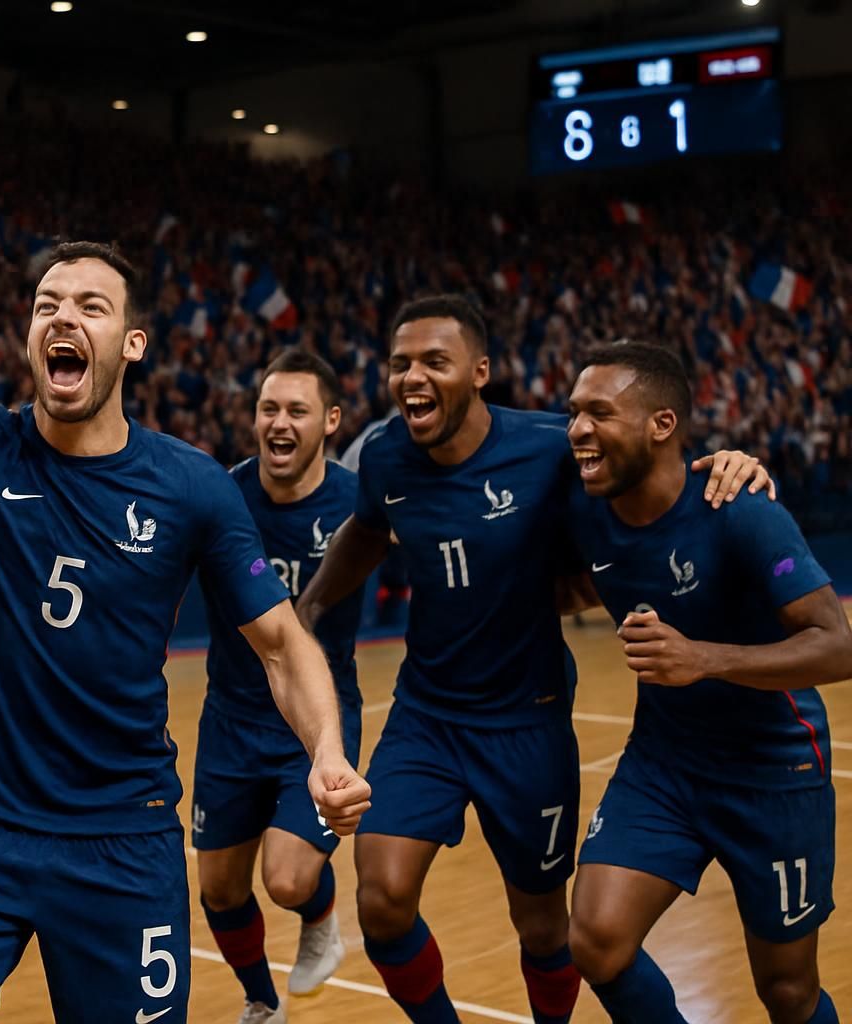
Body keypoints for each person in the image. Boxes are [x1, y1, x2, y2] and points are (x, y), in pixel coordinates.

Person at [0, 214, 371, 1024]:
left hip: (121, 844)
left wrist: (328, 751)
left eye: (92, 307)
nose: (63, 317)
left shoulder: (192, 487)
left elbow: (281, 643)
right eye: (47, 304)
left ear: (131, 344)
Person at [295, 295, 770, 1024]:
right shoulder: (388, 452)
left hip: (528, 719)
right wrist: (311, 609)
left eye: (434, 362)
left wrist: (732, 462)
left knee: (546, 930)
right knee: (383, 900)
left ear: (480, 372)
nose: (411, 377)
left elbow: (653, 470)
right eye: (400, 364)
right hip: (427, 715)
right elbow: (366, 529)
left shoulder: (554, 450)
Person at [563, 342, 848, 1024]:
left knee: (786, 991)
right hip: (664, 764)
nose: (576, 429)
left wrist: (705, 660)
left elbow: (837, 646)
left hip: (773, 769)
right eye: (573, 412)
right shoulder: (584, 503)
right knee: (597, 942)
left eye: (599, 412)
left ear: (662, 424)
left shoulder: (741, 509)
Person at [193, 349, 364, 1024]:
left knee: (288, 878)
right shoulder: (221, 497)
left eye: (297, 410)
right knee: (220, 887)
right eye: (269, 408)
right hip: (230, 719)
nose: (280, 422)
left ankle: (321, 919)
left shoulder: (361, 507)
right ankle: (261, 1001)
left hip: (315, 721)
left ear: (330, 421)